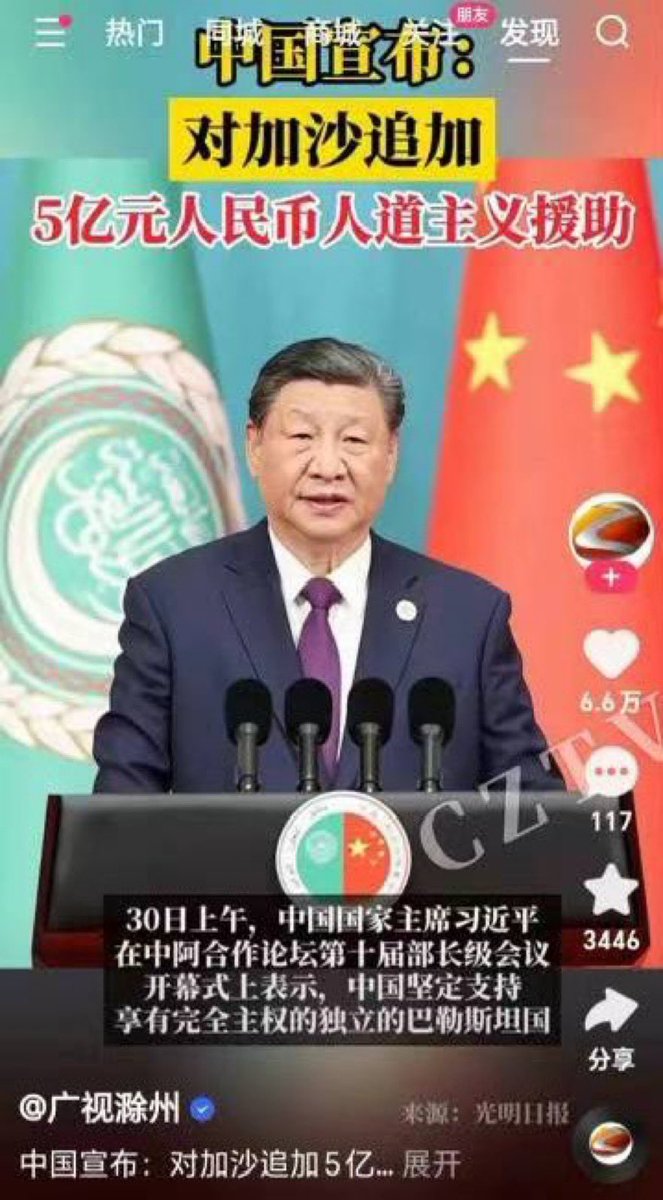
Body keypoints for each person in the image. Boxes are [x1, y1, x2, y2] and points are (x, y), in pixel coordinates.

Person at [93, 337, 564, 794]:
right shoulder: (173, 605)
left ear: (391, 455)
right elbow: (121, 809)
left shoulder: (466, 617)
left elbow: (533, 810)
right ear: (254, 447)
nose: (327, 466)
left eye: (354, 440)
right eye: (302, 437)